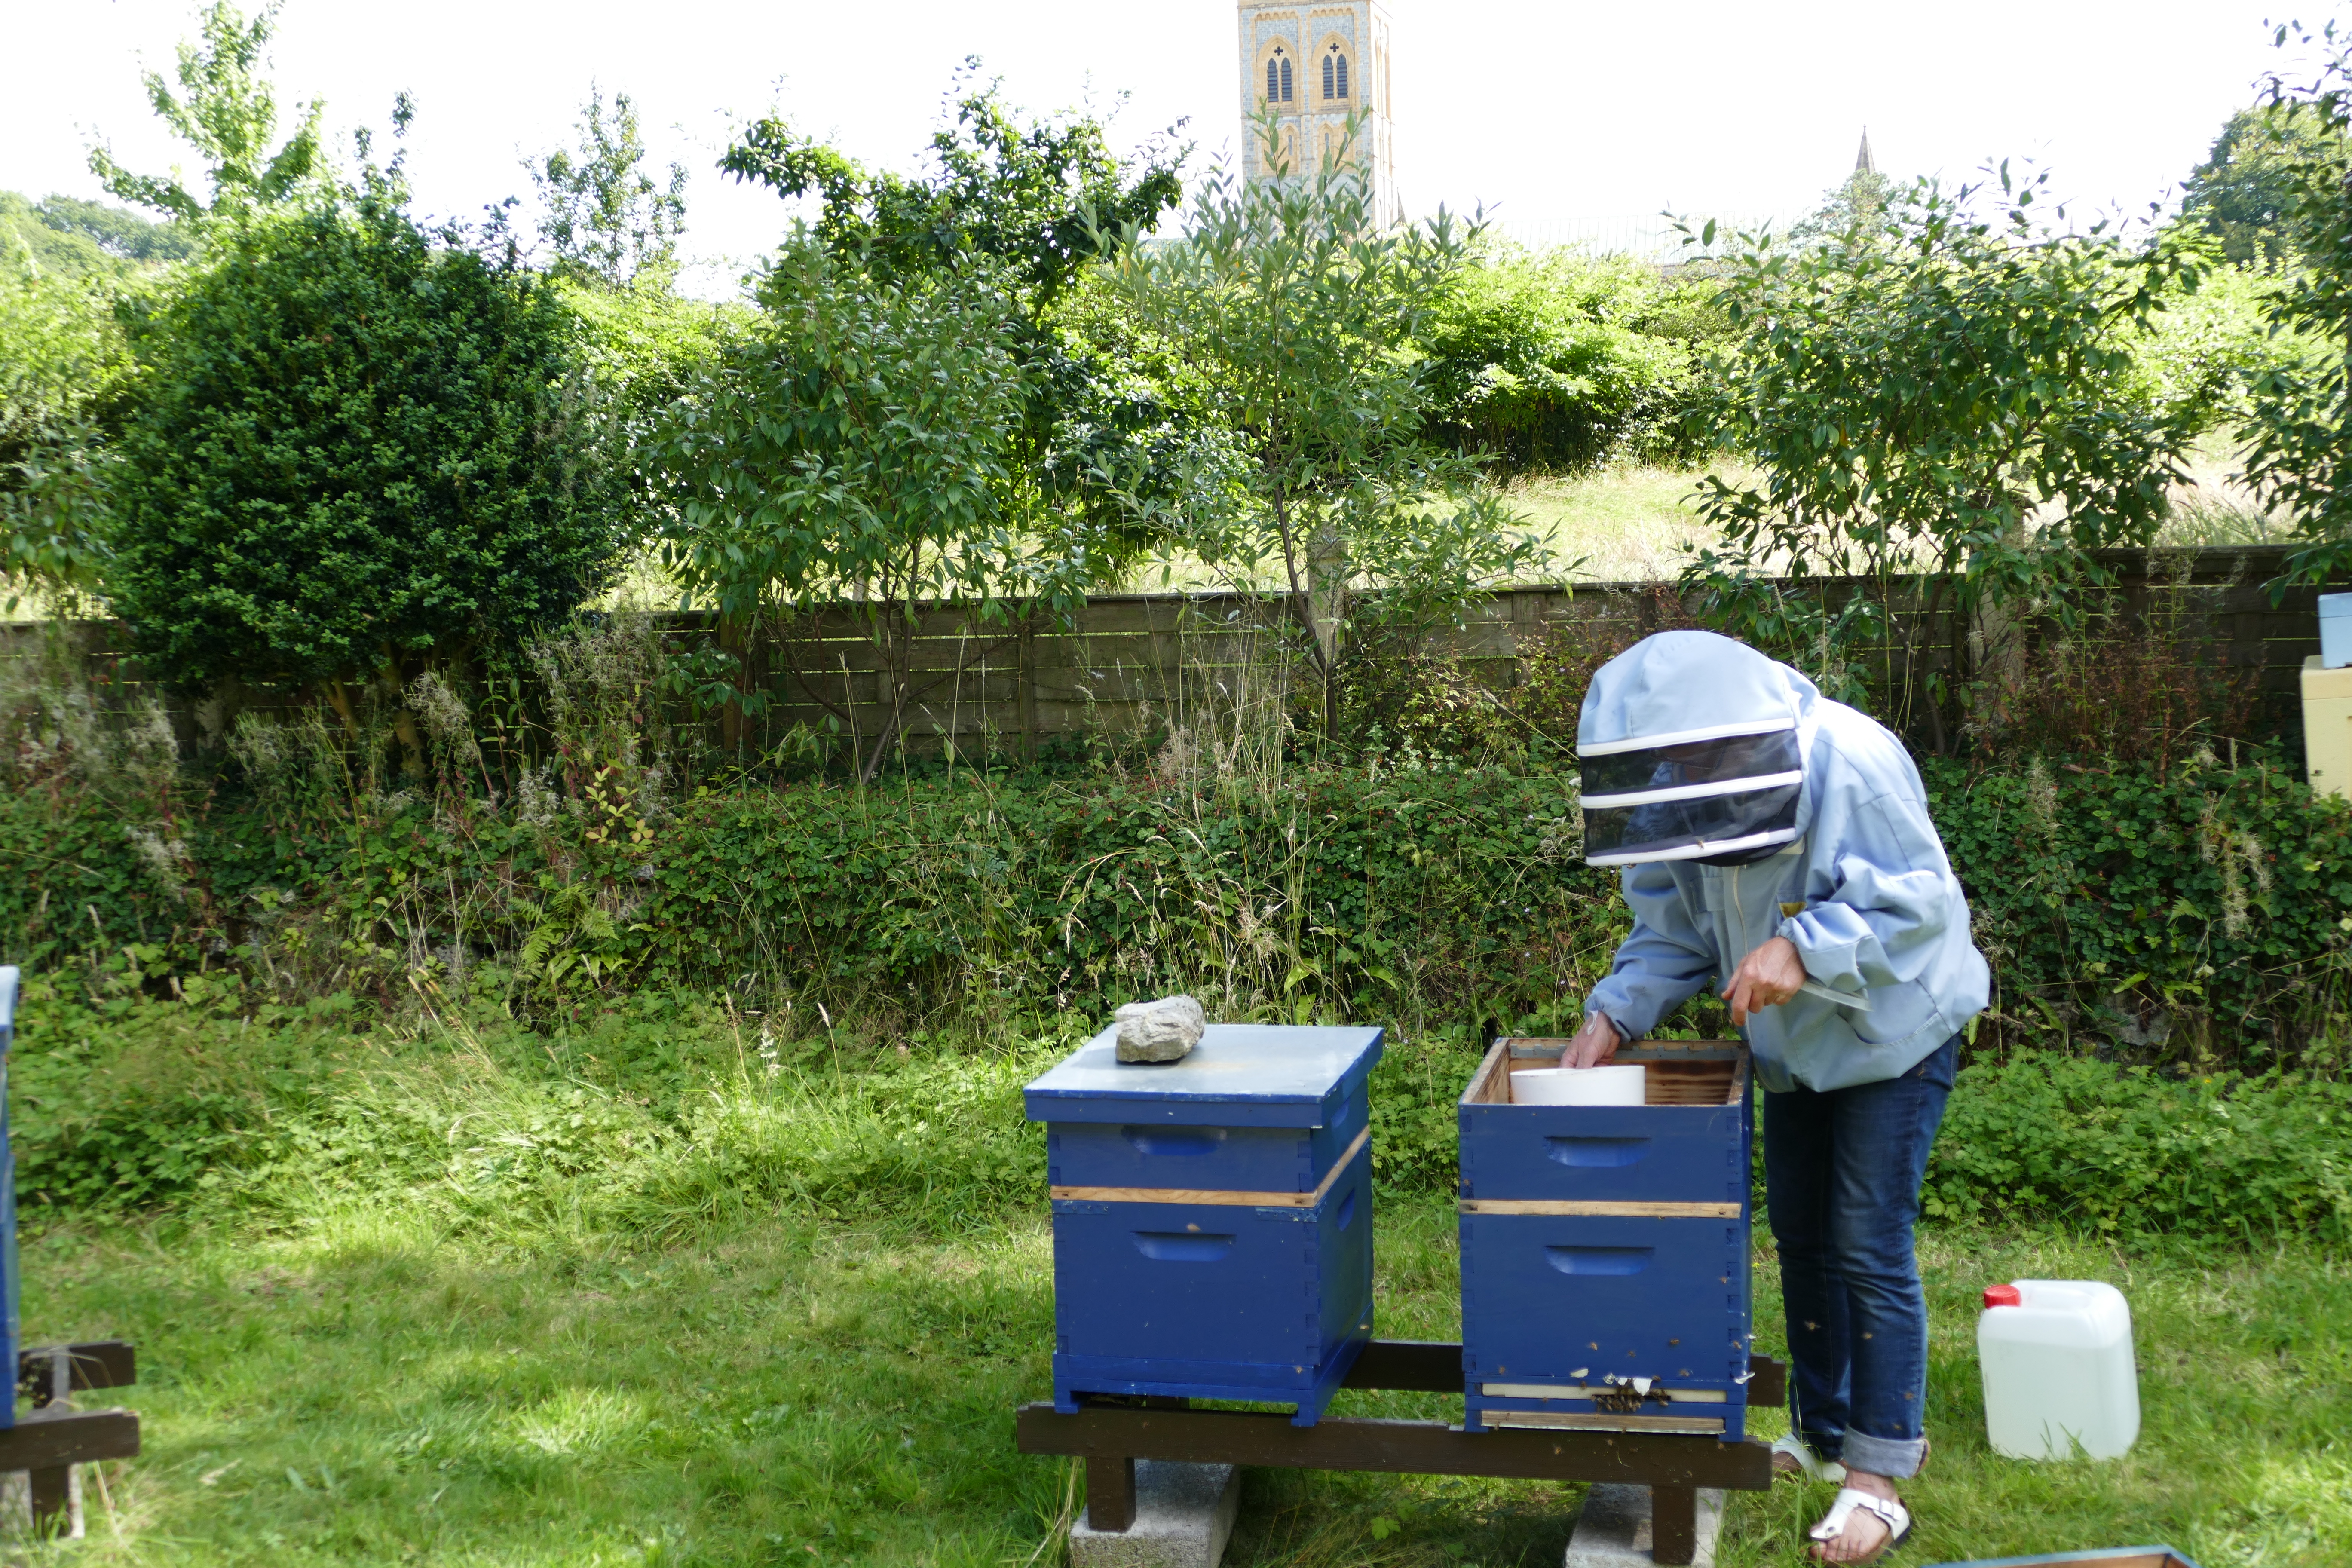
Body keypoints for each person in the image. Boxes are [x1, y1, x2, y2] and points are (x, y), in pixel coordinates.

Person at [1559, 630, 1988, 1566]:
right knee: (1801, 1235)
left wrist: (1803, 947)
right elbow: (1673, 925)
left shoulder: (1853, 761)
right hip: (1793, 1048)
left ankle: (1879, 1477)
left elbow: (1917, 905)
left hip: (1893, 1036)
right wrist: (1616, 1013)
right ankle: (1821, 1433)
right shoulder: (1683, 788)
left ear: (1732, 741)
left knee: (1867, 1241)